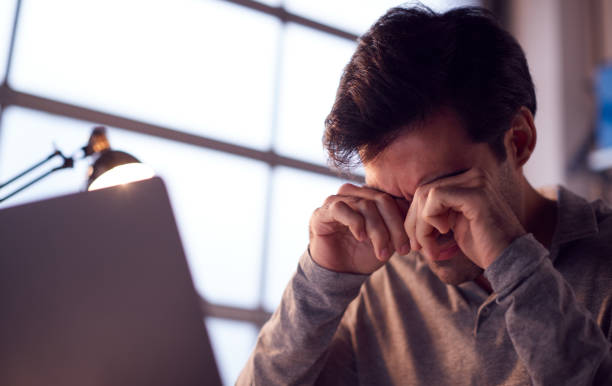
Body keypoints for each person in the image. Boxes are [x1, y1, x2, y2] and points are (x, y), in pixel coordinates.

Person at [237, 5, 612, 385]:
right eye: (394, 199)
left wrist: (515, 263)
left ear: (519, 141)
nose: (422, 227)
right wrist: (320, 283)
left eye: (444, 188)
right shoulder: (385, 287)